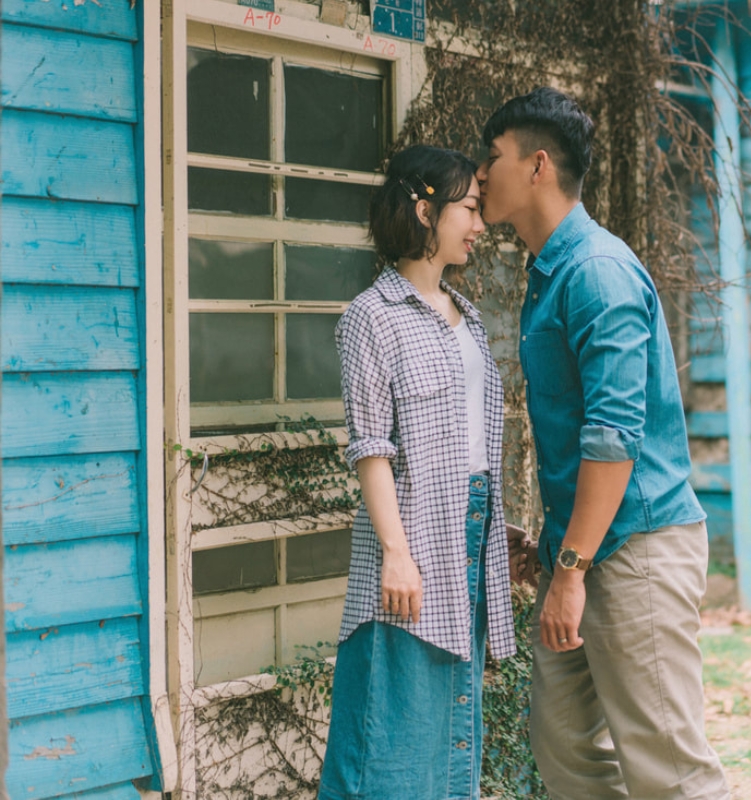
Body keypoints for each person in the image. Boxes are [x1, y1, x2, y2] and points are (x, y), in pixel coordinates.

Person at [477, 87, 731, 800]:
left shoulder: (595, 272)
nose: (479, 173)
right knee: (567, 756)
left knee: (669, 771)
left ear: (536, 166)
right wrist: (557, 548)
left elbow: (614, 438)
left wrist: (571, 571)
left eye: (491, 158)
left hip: (635, 553)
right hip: (586, 549)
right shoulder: (553, 272)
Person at [318, 145, 515, 800]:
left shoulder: (469, 318)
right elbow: (372, 449)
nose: (480, 225)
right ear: (425, 209)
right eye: (468, 209)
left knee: (453, 731)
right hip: (412, 540)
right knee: (390, 740)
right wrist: (396, 554)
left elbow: (478, 445)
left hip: (471, 536)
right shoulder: (370, 317)